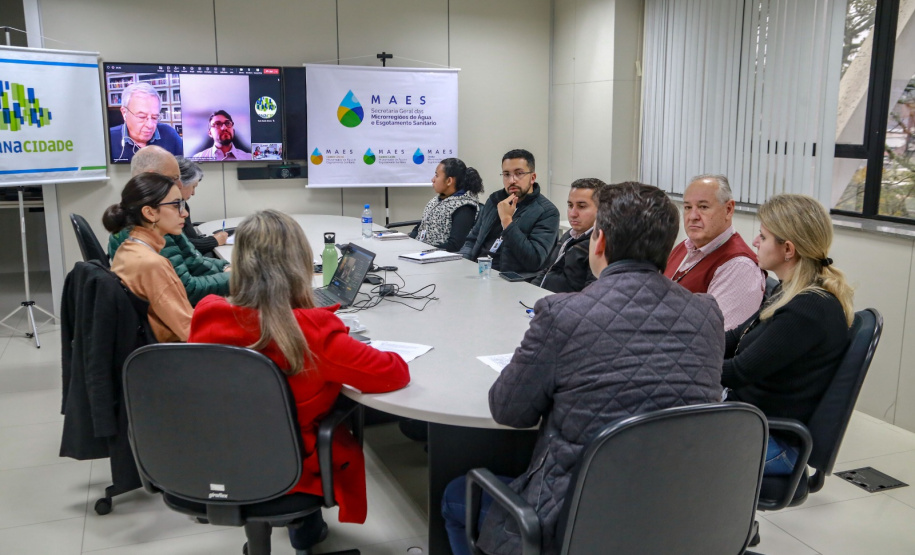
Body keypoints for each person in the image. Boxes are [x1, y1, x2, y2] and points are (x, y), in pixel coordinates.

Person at [443, 182, 726, 555]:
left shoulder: (563, 313)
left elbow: (508, 410)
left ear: (600, 241)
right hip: (676, 514)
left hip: (574, 521)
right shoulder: (707, 313)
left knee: (455, 495)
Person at [188, 210, 410, 553]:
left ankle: (304, 527)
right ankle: (306, 527)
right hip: (292, 468)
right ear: (301, 264)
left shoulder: (207, 314)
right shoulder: (314, 331)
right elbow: (393, 373)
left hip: (215, 459)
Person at [723, 194, 854, 476]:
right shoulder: (790, 290)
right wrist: (684, 346)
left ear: (788, 249)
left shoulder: (807, 308)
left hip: (773, 442)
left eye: (763, 236)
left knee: (660, 440)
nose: (755, 242)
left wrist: (677, 365)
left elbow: (737, 372)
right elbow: (735, 336)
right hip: (751, 422)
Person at [108, 146, 230, 306]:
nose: (179, 185)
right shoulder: (147, 227)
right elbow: (187, 291)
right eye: (173, 178)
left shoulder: (155, 216)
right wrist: (235, 278)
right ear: (151, 177)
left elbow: (193, 260)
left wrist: (227, 267)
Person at [663, 174, 766, 330]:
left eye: (703, 207)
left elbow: (718, 337)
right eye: (688, 207)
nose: (692, 216)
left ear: (729, 210)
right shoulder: (684, 247)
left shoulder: (739, 266)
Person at [103, 172, 194, 342]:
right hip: (175, 356)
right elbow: (190, 331)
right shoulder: (153, 264)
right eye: (176, 205)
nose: (184, 214)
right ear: (150, 213)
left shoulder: (127, 249)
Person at [459, 149, 559, 273]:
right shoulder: (494, 200)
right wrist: (463, 264)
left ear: (532, 178)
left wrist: (507, 221)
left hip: (511, 281)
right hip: (479, 272)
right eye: (506, 174)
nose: (512, 180)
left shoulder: (547, 212)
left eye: (519, 173)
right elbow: (472, 240)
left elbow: (534, 261)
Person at [533, 177, 606, 293]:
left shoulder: (600, 244)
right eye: (570, 205)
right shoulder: (570, 235)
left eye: (581, 206)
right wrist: (530, 292)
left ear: (602, 209)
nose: (572, 214)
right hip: (544, 301)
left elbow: (591, 294)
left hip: (564, 307)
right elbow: (547, 270)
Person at [410, 157, 484, 252]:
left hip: (439, 259)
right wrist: (409, 242)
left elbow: (455, 245)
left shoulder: (465, 207)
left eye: (437, 176)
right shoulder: (437, 200)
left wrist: (424, 250)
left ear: (449, 181)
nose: (433, 179)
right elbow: (420, 226)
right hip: (420, 252)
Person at [109, 82, 183, 163]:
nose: (150, 125)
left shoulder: (169, 134)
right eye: (142, 117)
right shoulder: (109, 139)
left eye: (154, 117)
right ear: (124, 113)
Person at [175, 156, 229, 256]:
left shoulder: (183, 204)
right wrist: (213, 240)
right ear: (180, 184)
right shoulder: (167, 209)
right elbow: (180, 245)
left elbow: (188, 239)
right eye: (193, 187)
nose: (193, 193)